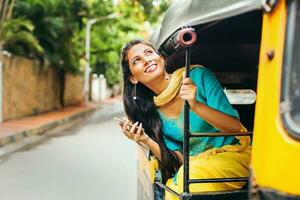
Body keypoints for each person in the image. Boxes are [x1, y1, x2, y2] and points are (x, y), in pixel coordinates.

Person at [118, 39, 251, 200]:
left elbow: (234, 127)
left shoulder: (197, 76)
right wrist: (144, 139)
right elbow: (176, 161)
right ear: (133, 78)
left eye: (149, 52)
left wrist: (196, 106)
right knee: (179, 184)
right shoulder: (152, 114)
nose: (146, 60)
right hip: (193, 168)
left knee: (184, 181)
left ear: (161, 58)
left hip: (234, 154)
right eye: (136, 61)